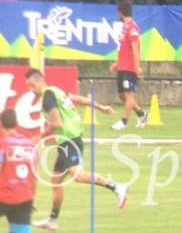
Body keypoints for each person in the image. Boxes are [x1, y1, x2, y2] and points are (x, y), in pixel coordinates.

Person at [25, 69, 128, 231]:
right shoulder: (57, 91)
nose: (31, 90)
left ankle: (116, 187)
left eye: (32, 86)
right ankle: (52, 220)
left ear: (39, 81)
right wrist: (100, 107)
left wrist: (38, 137)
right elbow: (79, 99)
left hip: (69, 141)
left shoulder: (47, 96)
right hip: (69, 141)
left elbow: (56, 123)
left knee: (78, 175)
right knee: (56, 181)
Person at [109, 0, 148, 130]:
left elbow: (135, 49)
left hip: (130, 67)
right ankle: (142, 114)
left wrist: (137, 67)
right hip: (122, 67)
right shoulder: (124, 28)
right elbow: (122, 49)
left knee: (129, 94)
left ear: (120, 13)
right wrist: (117, 63)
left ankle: (123, 122)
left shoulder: (132, 28)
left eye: (118, 13)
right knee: (122, 95)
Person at [0, 109, 36, 233]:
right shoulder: (30, 145)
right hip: (24, 198)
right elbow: (34, 177)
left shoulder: (3, 144)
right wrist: (31, 199)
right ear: (16, 124)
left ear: (1, 124)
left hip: (3, 196)